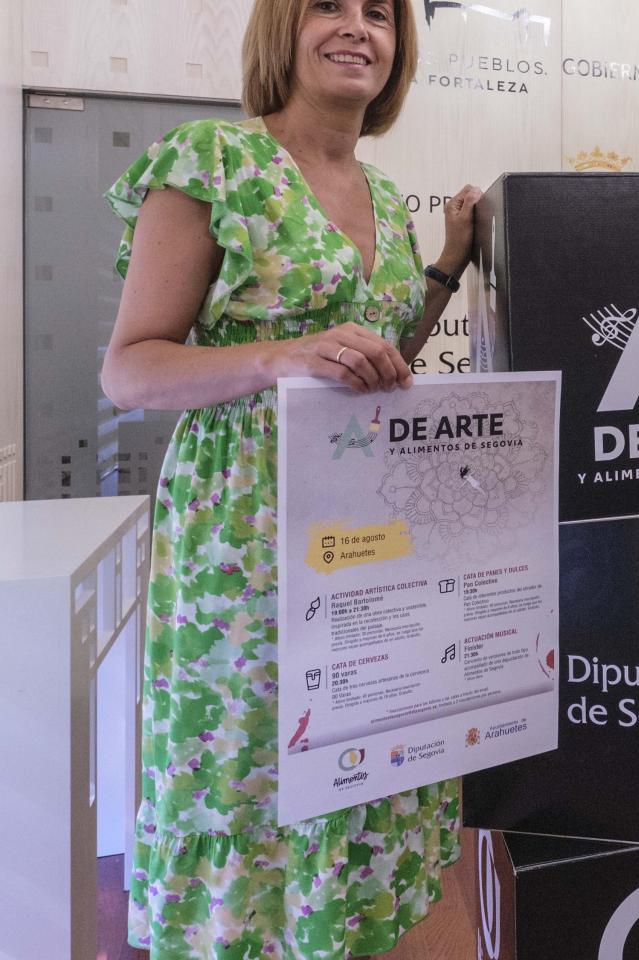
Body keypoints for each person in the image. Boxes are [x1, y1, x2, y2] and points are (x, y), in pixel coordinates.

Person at [100, 0, 481, 955]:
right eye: (329, 7)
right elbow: (130, 369)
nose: (358, 28)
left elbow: (377, 359)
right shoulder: (212, 162)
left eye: (380, 14)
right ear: (284, 30)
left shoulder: (387, 197)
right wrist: (282, 353)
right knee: (251, 760)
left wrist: (443, 265)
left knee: (356, 744)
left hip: (365, 524)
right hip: (245, 536)